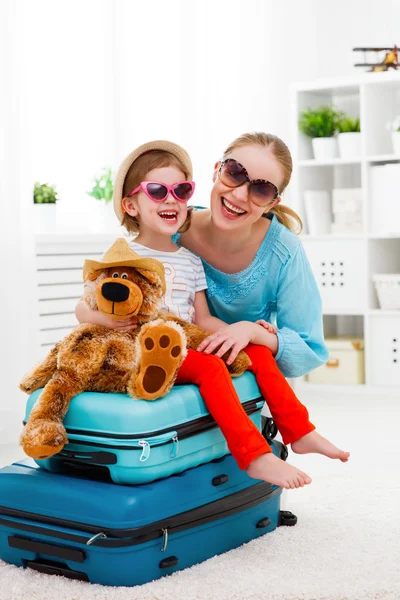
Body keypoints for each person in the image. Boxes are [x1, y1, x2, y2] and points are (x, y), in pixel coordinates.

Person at [76, 140, 349, 489]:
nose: (171, 199)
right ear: (217, 171)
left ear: (273, 201)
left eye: (181, 190)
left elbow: (203, 321)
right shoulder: (124, 254)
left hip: (183, 341)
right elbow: (84, 305)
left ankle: (300, 430)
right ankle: (254, 456)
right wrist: (105, 320)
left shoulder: (190, 260)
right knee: (210, 367)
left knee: (257, 352)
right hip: (138, 347)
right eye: (235, 173)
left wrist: (248, 334)